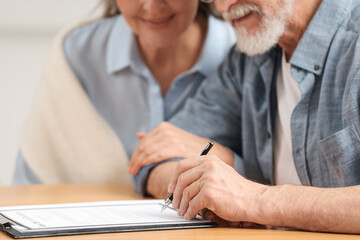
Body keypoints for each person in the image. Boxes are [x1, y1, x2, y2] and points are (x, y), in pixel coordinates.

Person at [130, 0, 360, 234]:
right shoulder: (248, 57)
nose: (222, 7)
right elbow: (152, 158)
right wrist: (214, 181)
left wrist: (254, 199)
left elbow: (245, 197)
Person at [12, 0, 236, 184]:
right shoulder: (77, 55)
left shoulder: (242, 56)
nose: (152, 7)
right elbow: (31, 181)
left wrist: (227, 159)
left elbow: (264, 177)